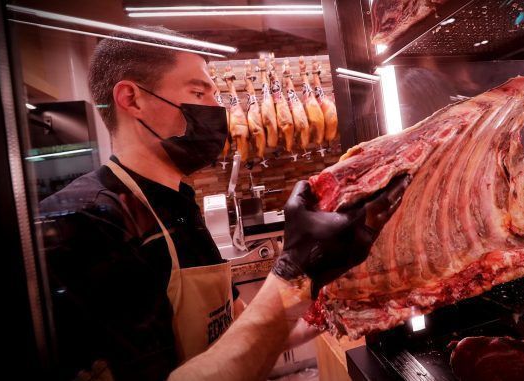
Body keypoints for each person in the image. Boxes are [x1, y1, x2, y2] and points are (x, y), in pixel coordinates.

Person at [38, 26, 409, 381]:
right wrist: (292, 268)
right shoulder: (87, 221)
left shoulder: (179, 203)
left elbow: (242, 333)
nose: (220, 112)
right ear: (132, 99)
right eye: (200, 94)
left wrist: (345, 301)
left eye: (216, 95)